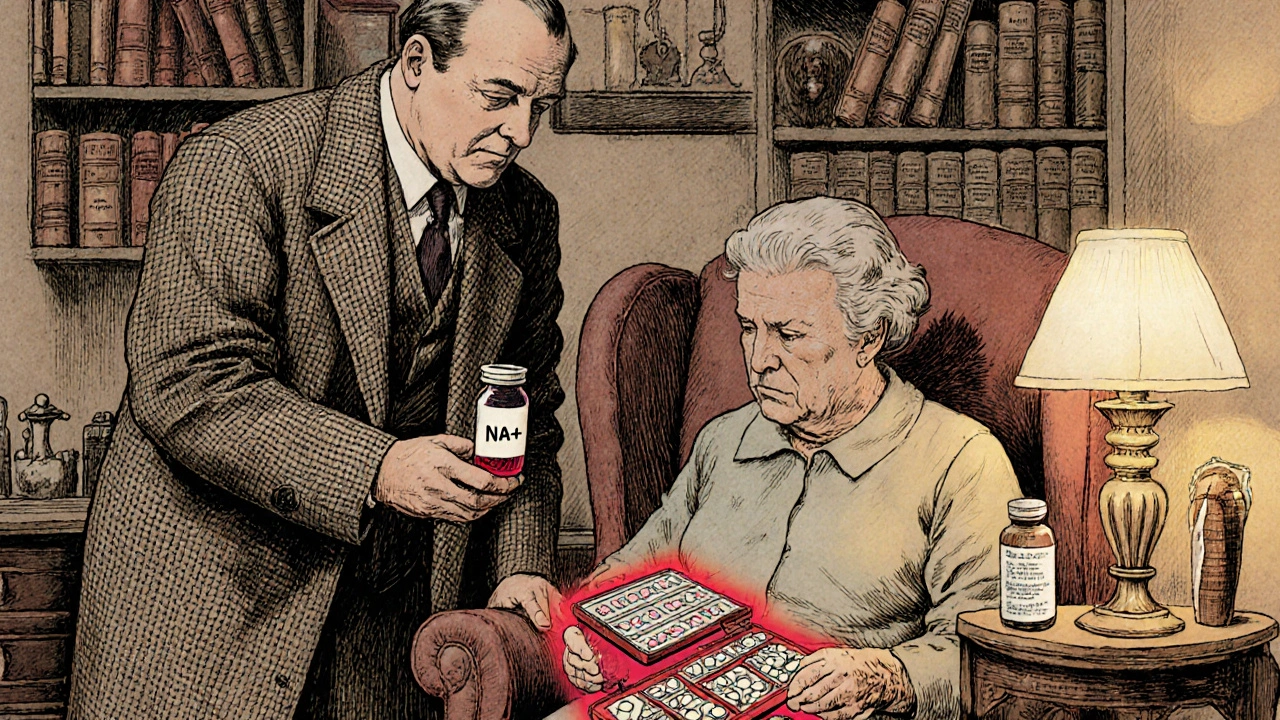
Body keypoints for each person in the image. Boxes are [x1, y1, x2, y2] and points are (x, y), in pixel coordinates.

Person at [69, 1, 575, 718]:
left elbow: (531, 419)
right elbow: (190, 382)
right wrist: (377, 469)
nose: (522, 133)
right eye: (499, 97)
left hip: (386, 639)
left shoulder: (523, 214)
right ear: (416, 63)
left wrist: (520, 563)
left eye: (541, 106)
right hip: (214, 618)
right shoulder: (239, 164)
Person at [561, 198, 1022, 720]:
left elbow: (992, 652)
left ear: (867, 337)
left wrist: (887, 677)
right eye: (749, 327)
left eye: (789, 334)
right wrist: (593, 635)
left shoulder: (960, 459)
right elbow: (631, 573)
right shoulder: (723, 440)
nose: (758, 361)